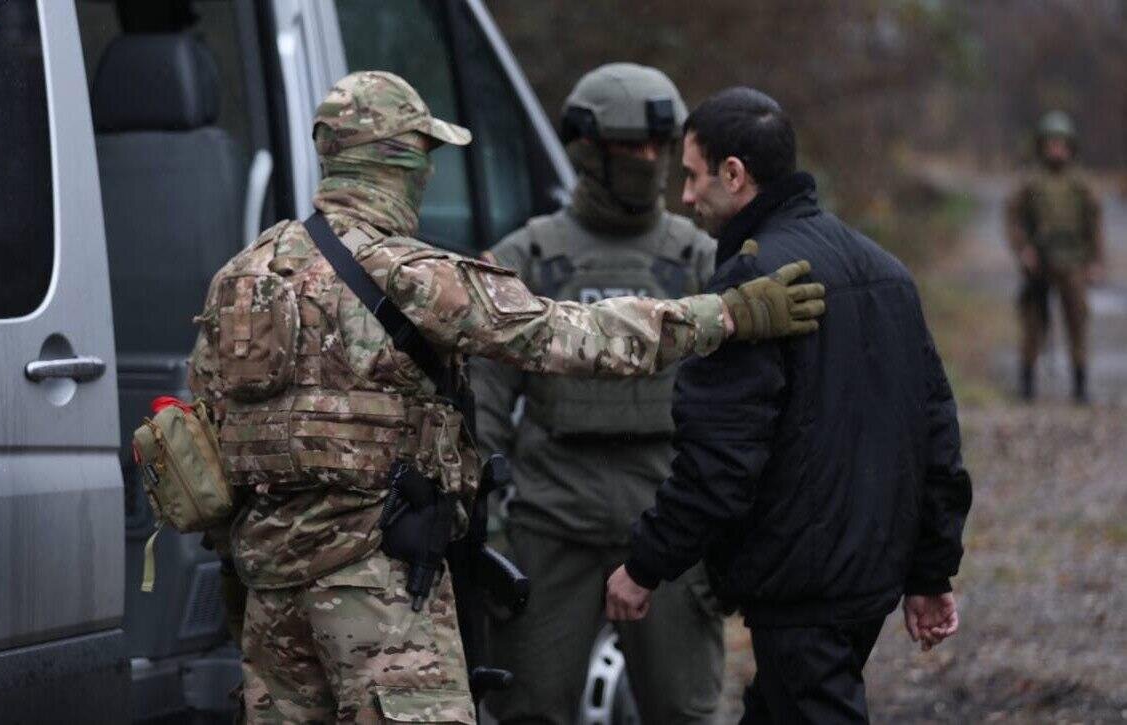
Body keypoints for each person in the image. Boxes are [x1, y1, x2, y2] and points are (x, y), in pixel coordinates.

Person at [187, 71, 826, 724]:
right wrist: (726, 315)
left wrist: (245, 559)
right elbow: (569, 336)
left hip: (270, 592)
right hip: (377, 589)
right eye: (425, 157)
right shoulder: (415, 276)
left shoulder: (243, 276)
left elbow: (201, 442)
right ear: (402, 165)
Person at [604, 87, 973, 724]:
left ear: (734, 174)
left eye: (692, 176)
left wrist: (644, 565)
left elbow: (719, 458)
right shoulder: (887, 270)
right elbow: (936, 434)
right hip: (864, 579)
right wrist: (928, 570)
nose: (685, 196)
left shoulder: (755, 287)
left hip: (802, 588)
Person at [472, 63, 724, 725]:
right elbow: (481, 404)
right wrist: (486, 525)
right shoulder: (526, 260)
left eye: (658, 146)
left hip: (668, 519)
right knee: (527, 710)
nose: (647, 161)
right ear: (588, 150)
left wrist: (729, 521)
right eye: (628, 147)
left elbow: (741, 412)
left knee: (684, 711)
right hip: (550, 519)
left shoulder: (703, 261)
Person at [1006, 110, 1106, 403]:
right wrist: (1023, 249)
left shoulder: (1081, 183)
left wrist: (1096, 261)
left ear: (1070, 146)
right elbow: (1013, 218)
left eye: (1061, 144)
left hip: (1073, 261)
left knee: (1078, 320)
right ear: (1042, 146)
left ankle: (1080, 383)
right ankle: (1027, 382)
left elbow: (1095, 224)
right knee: (1033, 323)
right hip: (1040, 262)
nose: (1056, 149)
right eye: (1051, 143)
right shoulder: (1030, 182)